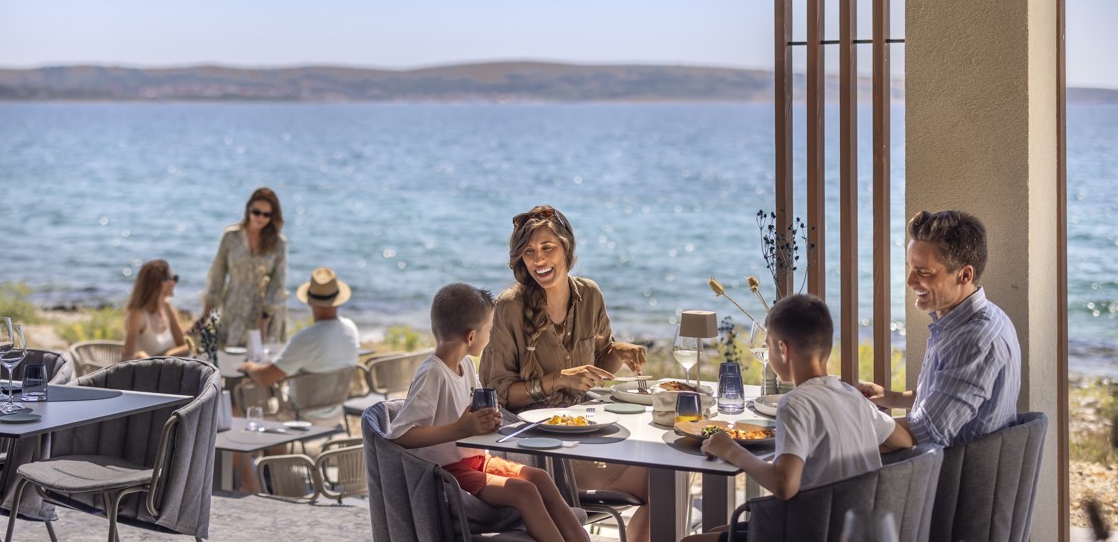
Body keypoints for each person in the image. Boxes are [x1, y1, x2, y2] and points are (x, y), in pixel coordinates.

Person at [479, 204, 651, 542]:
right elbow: (497, 394)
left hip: (586, 431)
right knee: (661, 481)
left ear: (566, 249)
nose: (539, 260)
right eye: (529, 252)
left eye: (548, 248)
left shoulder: (590, 294)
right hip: (537, 447)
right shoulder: (510, 307)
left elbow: (596, 369)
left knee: (669, 477)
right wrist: (557, 379)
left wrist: (617, 352)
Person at [683, 294, 913, 542]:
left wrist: (730, 449)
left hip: (808, 531)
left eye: (769, 345)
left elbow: (784, 484)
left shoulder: (794, 403)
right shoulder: (851, 395)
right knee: (718, 532)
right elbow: (903, 441)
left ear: (782, 349)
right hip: (851, 528)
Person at [389, 283, 591, 542]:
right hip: (448, 472)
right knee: (525, 491)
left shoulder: (465, 365)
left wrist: (484, 421)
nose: (491, 334)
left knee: (539, 478)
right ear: (471, 337)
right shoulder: (432, 374)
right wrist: (460, 429)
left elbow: (469, 415)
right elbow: (400, 436)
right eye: (489, 329)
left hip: (476, 461)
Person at [857, 209, 1022, 447]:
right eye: (910, 268)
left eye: (923, 272)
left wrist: (849, 427)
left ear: (964, 275)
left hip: (948, 468)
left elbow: (924, 434)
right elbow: (948, 396)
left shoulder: (974, 340)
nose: (910, 281)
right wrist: (891, 398)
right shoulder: (981, 318)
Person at [238, 266, 361, 395]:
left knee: (244, 392)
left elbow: (265, 378)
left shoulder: (307, 338)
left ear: (309, 302)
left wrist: (249, 367)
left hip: (301, 406)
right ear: (338, 300)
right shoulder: (350, 328)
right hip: (337, 402)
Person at [201, 186, 290, 349]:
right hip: (233, 307)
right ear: (248, 209)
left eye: (267, 214)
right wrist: (207, 313)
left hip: (264, 313)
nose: (261, 218)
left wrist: (264, 318)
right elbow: (217, 275)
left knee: (259, 359)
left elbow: (278, 283)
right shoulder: (231, 236)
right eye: (257, 212)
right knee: (226, 357)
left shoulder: (278, 243)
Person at [121, 260, 190, 360]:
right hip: (146, 370)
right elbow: (126, 357)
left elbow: (185, 346)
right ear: (162, 283)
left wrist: (165, 357)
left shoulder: (167, 307)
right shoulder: (138, 314)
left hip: (165, 367)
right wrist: (141, 356)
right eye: (174, 278)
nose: (175, 283)